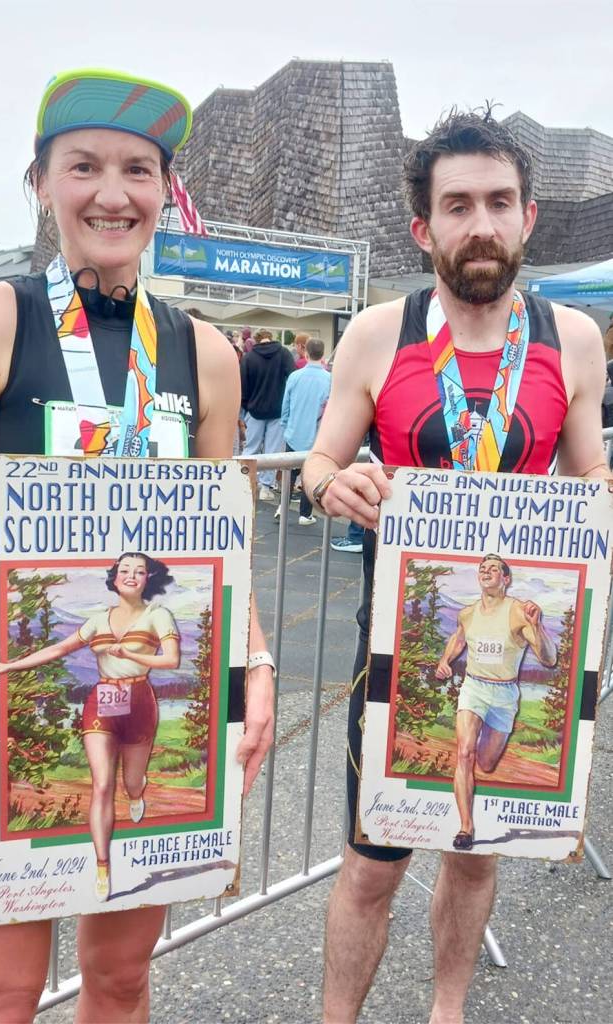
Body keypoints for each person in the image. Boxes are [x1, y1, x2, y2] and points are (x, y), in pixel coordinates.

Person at [302, 106, 610, 1024]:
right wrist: (331, 485)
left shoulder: (574, 339)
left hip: (512, 638)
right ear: (424, 226)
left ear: (528, 218)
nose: (481, 222)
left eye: (499, 202)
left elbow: (588, 472)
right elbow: (321, 461)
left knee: (476, 853)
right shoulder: (377, 332)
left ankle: (448, 1011)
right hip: (394, 646)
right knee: (371, 861)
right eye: (459, 204)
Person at [0, 67, 274, 1023]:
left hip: (145, 687)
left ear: (164, 192)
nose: (113, 194)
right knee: (6, 987)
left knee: (120, 978)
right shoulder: (4, 316)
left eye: (139, 171)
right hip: (15, 695)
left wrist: (259, 659)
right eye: (84, 167)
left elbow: (221, 536)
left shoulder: (204, 352)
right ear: (40, 183)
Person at [0, 553, 181, 901]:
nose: (131, 575)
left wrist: (131, 655)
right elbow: (62, 647)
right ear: (114, 577)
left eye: (139, 571)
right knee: (103, 784)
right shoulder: (98, 620)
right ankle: (102, 865)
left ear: (147, 579)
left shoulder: (158, 615)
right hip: (102, 702)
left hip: (139, 699)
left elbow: (171, 659)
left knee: (131, 782)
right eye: (124, 570)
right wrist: (8, 666)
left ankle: (138, 793)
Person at [435, 554, 556, 850]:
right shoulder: (468, 612)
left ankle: (478, 775)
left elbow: (549, 659)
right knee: (464, 753)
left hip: (504, 694)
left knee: (486, 763)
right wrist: (444, 660)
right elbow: (460, 638)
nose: (486, 572)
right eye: (483, 569)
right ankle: (466, 827)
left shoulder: (517, 612)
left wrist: (537, 627)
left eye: (494, 569)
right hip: (474, 687)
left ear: (506, 579)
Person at [278, 337, 331, 525]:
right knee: (310, 476)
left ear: (306, 353)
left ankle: (281, 507)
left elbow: (286, 405)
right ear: (322, 354)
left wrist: (285, 424)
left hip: (293, 433)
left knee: (289, 473)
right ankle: (305, 513)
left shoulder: (295, 376)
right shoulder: (330, 379)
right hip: (317, 436)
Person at [240, 327, 295, 500]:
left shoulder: (249, 358)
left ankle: (243, 483)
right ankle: (266, 487)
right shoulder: (284, 354)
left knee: (251, 448)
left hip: (254, 410)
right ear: (270, 338)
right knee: (272, 452)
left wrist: (245, 408)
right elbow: (292, 378)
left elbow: (243, 386)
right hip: (277, 410)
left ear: (256, 340)